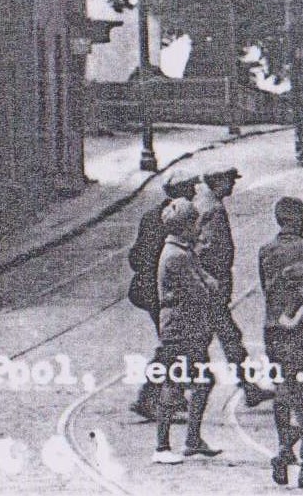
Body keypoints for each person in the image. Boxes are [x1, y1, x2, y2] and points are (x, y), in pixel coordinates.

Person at [258, 196, 303, 489]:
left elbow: (265, 287)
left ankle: (285, 449)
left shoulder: (266, 250)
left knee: (283, 388)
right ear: (301, 219)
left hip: (274, 328)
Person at [195, 167, 275, 408]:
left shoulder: (206, 202)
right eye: (229, 180)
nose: (233, 186)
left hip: (208, 285)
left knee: (226, 337)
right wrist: (214, 280)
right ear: (217, 179)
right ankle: (150, 395)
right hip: (210, 287)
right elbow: (208, 249)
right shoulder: (212, 209)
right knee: (200, 341)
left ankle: (249, 387)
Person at [150, 198, 221, 464]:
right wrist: (210, 288)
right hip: (179, 327)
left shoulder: (183, 251)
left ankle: (192, 439)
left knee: (201, 380)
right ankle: (162, 446)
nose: (199, 229)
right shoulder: (177, 256)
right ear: (185, 226)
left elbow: (207, 281)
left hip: (187, 325)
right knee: (174, 382)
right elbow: (202, 289)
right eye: (195, 224)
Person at [129, 174, 201, 420]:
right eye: (191, 188)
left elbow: (135, 256)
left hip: (152, 288)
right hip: (161, 292)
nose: (194, 192)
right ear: (181, 191)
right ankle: (150, 397)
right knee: (170, 346)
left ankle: (169, 397)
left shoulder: (151, 215)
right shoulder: (181, 219)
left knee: (171, 345)